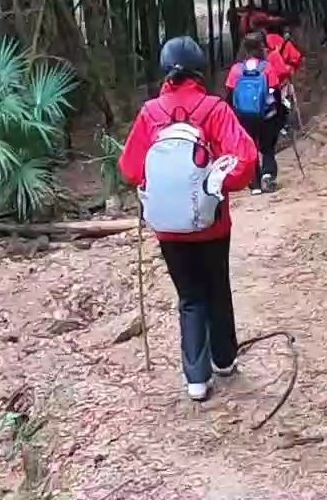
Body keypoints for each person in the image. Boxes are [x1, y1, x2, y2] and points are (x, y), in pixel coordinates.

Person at [118, 36, 259, 402]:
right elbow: (246, 160)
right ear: (199, 69)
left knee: (190, 297)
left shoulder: (150, 113)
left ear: (166, 71)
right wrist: (216, 183)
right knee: (217, 289)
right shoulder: (213, 109)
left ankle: (196, 379)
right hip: (212, 225)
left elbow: (130, 168)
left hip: (168, 229)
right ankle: (224, 360)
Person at [226, 30, 289, 194]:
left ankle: (254, 184)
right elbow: (275, 91)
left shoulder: (236, 69)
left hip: (243, 116)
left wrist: (234, 114)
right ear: (261, 47)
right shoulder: (266, 68)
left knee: (250, 146)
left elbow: (230, 94)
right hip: (265, 115)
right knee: (267, 147)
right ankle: (267, 174)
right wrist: (278, 110)